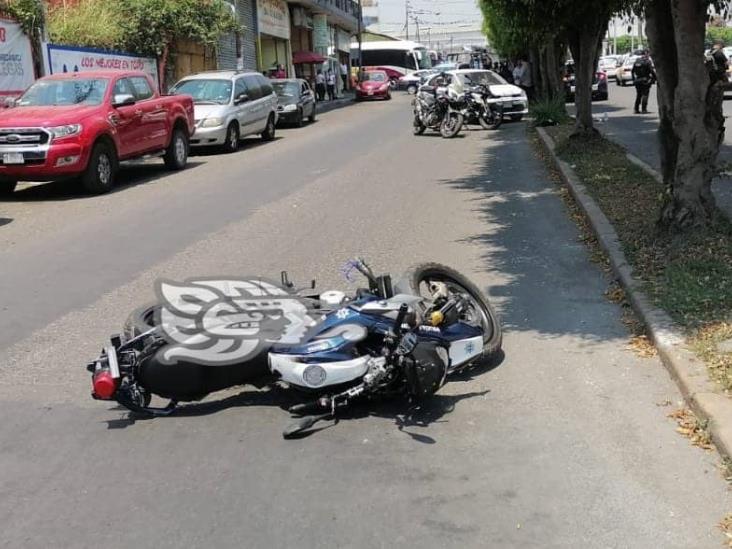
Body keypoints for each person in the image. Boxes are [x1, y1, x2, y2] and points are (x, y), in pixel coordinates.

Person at [631, 49, 656, 114]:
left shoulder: (637, 61)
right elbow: (651, 71)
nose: (649, 55)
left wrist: (633, 80)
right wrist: (655, 78)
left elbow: (632, 71)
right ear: (646, 53)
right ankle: (644, 109)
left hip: (638, 80)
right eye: (648, 53)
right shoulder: (647, 62)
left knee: (638, 95)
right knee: (645, 95)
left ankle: (636, 109)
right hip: (645, 80)